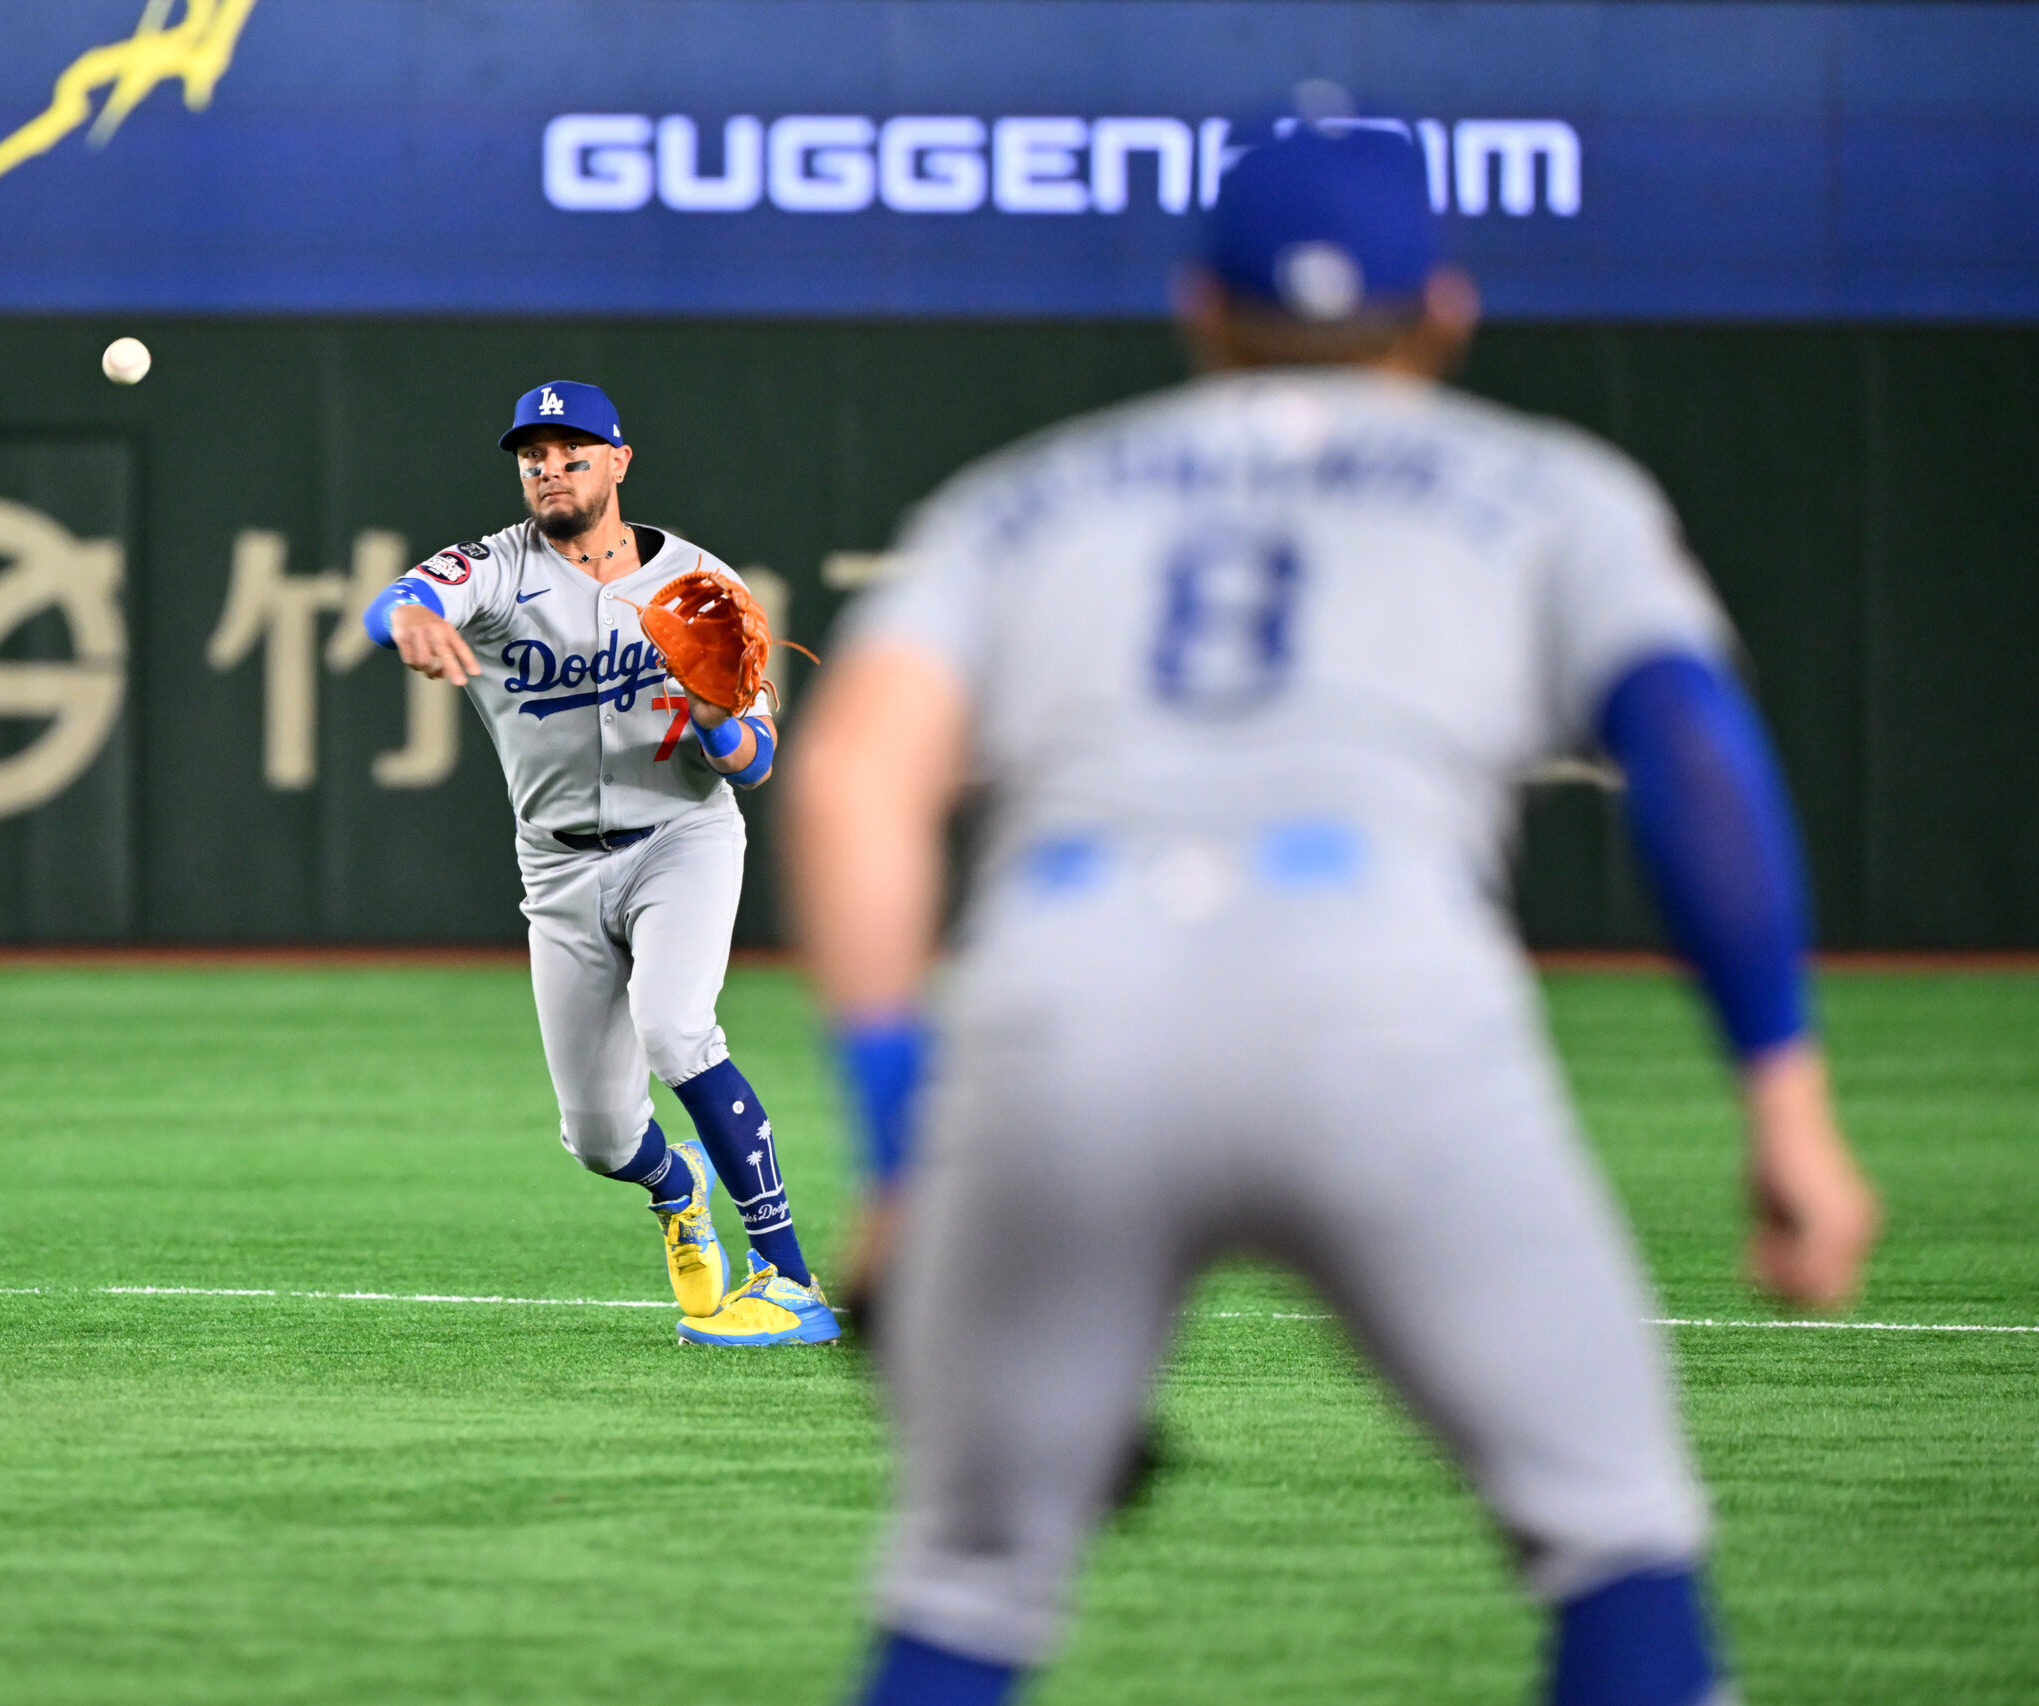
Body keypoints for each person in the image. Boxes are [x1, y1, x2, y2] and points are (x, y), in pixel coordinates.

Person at [782, 124, 1878, 1703]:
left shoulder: (1018, 503)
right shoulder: (1551, 486)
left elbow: (849, 785)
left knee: (966, 1583)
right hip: (1386, 995)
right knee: (1616, 1546)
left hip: (1063, 1010)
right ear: (1443, 310)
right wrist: (1784, 1092)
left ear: (1200, 310)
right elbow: (1693, 748)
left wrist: (900, 1156)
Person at [364, 379, 838, 1347]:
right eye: (532, 455)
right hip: (557, 871)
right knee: (598, 1137)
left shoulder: (699, 584)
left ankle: (789, 1280)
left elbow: (755, 759)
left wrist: (716, 719)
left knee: (675, 1026)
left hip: (681, 842)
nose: (548, 468)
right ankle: (677, 1186)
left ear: (618, 461)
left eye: (570, 451)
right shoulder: (496, 568)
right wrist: (404, 615)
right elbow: (406, 594)